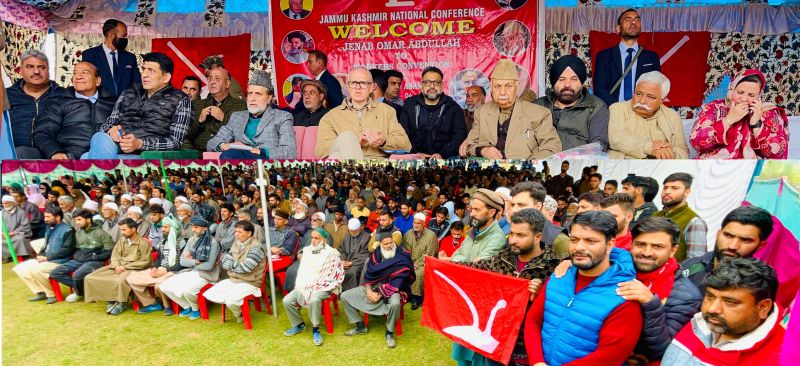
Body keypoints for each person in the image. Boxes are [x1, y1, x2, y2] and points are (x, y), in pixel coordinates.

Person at [524, 211, 641, 366]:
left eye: (590, 241)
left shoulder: (625, 293)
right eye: (574, 240)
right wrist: (536, 361)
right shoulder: (560, 275)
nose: (579, 247)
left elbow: (610, 356)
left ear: (610, 244)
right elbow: (533, 321)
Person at [453, 209, 561, 366]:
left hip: (527, 350)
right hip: (496, 344)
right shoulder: (503, 258)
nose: (512, 240)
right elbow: (473, 268)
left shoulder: (553, 267)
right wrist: (442, 265)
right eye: (511, 234)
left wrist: (540, 295)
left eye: (520, 235)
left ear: (537, 237)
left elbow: (558, 309)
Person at [613, 217, 703, 364]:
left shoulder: (686, 296)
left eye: (657, 247)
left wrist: (651, 303)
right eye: (641, 244)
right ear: (631, 244)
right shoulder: (615, 269)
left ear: (673, 250)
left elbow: (663, 348)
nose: (647, 253)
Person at [662, 258, 784, 365]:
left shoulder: (782, 357)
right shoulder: (702, 323)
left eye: (730, 302)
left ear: (763, 307)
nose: (712, 309)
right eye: (710, 296)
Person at [85, 52, 192, 159]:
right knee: (99, 136)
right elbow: (105, 126)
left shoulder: (181, 100)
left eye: (151, 70)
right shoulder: (128, 93)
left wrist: (140, 143)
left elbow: (176, 142)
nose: (144, 74)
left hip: (146, 155)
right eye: (143, 69)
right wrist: (111, 130)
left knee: (85, 158)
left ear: (166, 77)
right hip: (116, 147)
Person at [463, 59, 561, 159]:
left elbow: (551, 147)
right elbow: (470, 144)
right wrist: (483, 150)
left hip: (524, 171)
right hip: (489, 171)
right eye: (497, 86)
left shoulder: (539, 113)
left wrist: (530, 166)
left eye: (508, 86)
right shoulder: (481, 112)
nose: (502, 92)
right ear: (491, 87)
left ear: (516, 86)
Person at [690, 69, 789, 159]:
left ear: (759, 95)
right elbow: (697, 143)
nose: (744, 99)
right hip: (714, 167)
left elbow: (778, 155)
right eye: (740, 92)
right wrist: (728, 120)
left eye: (751, 95)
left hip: (752, 171)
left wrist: (757, 124)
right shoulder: (713, 108)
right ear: (732, 88)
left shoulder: (768, 112)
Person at [23, 62, 115, 159]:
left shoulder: (113, 103)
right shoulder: (58, 102)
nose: (78, 77)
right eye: (75, 73)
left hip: (107, 154)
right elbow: (42, 132)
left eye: (85, 72)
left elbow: (128, 127)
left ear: (98, 81)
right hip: (71, 158)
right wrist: (55, 152)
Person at [315, 68, 411, 159]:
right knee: (346, 137)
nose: (358, 87)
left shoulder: (387, 111)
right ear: (348, 86)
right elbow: (321, 150)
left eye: (363, 83)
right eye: (353, 83)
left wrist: (383, 141)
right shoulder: (330, 116)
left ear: (371, 87)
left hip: (375, 168)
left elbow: (405, 145)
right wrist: (354, 142)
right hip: (345, 168)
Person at [340, 234, 415, 349]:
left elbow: (399, 280)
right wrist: (369, 291)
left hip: (394, 288)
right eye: (386, 244)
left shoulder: (402, 256)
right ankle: (360, 326)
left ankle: (389, 332)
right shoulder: (375, 255)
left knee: (395, 303)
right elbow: (369, 275)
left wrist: (379, 294)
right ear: (380, 244)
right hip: (373, 287)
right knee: (344, 295)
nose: (389, 246)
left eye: (391, 243)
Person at [207, 70, 297, 159]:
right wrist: (223, 145)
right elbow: (211, 143)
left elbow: (290, 151)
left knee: (230, 155)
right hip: (238, 160)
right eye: (250, 94)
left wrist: (261, 151)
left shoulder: (282, 117)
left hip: (265, 164)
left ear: (269, 98)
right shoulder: (237, 117)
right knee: (230, 154)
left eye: (258, 94)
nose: (252, 98)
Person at [681, 205, 773, 293]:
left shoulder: (758, 285)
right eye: (728, 235)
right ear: (718, 233)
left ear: (761, 245)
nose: (732, 246)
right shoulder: (689, 266)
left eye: (746, 240)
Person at [282, 228, 345, 346]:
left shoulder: (332, 253)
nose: (313, 240)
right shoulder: (306, 251)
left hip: (324, 286)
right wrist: (305, 285)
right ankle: (299, 325)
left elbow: (335, 274)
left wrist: (318, 285)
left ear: (324, 239)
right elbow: (303, 272)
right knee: (287, 300)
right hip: (305, 285)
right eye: (312, 237)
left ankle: (315, 328)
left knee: (314, 299)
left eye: (317, 238)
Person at [534, 55, 609, 151]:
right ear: (553, 82)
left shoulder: (596, 107)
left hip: (578, 163)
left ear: (581, 83)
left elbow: (598, 144)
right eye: (562, 79)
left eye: (574, 79)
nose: (567, 85)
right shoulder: (538, 106)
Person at [608, 71, 689, 159]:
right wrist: (651, 148)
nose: (642, 101)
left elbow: (683, 151)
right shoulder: (618, 109)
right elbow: (616, 139)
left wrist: (668, 149)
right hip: (624, 168)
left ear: (662, 100)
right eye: (639, 94)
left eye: (650, 97)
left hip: (660, 169)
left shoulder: (672, 116)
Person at [83, 217, 152, 315]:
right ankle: (110, 299)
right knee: (91, 277)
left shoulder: (143, 243)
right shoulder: (122, 240)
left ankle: (122, 302)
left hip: (135, 269)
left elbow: (146, 261)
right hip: (118, 267)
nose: (122, 232)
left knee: (120, 280)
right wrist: (116, 266)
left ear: (133, 229)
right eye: (121, 230)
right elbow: (114, 256)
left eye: (124, 229)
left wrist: (125, 267)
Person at [159, 215, 222, 320]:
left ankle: (195, 309)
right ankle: (186, 306)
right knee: (164, 286)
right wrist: (196, 261)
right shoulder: (192, 240)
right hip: (191, 271)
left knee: (187, 290)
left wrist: (191, 260)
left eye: (196, 227)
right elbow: (183, 261)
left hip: (207, 275)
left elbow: (208, 266)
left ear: (205, 228)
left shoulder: (213, 242)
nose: (193, 229)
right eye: (193, 227)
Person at [203, 221, 267, 323]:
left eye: (240, 232)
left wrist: (232, 265)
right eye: (236, 231)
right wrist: (237, 265)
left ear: (249, 233)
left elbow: (247, 268)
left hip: (250, 281)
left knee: (230, 300)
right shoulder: (236, 243)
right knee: (210, 293)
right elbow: (224, 263)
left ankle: (240, 314)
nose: (236, 234)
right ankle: (240, 308)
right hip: (234, 279)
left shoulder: (256, 247)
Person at [593, 9, 661, 106]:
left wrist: (640, 106)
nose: (633, 22)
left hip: (642, 111)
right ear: (618, 28)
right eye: (627, 20)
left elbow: (655, 87)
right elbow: (600, 89)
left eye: (637, 19)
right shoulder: (604, 56)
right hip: (613, 111)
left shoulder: (651, 57)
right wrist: (619, 108)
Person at [398, 67, 467, 159]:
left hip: (444, 159)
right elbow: (402, 134)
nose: (432, 86)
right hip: (414, 158)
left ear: (442, 85)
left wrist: (442, 154)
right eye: (427, 82)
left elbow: (459, 136)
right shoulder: (409, 105)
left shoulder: (453, 107)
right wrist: (415, 154)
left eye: (436, 82)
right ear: (421, 84)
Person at [12, 207, 75, 304]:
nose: (45, 219)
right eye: (45, 217)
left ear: (58, 217)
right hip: (47, 259)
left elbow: (67, 250)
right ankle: (40, 292)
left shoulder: (68, 230)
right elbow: (45, 245)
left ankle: (51, 295)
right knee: (20, 268)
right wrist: (40, 255)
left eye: (48, 217)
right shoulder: (50, 227)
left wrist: (47, 258)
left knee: (37, 271)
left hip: (61, 261)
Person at [7, 50, 65, 154]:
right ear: (20, 70)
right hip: (15, 155)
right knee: (20, 152)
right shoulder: (8, 95)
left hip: (56, 154)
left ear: (48, 71)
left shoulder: (64, 95)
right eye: (30, 66)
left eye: (42, 67)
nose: (36, 71)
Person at [126, 215, 185, 315]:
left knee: (159, 286)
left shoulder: (183, 243)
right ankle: (152, 304)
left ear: (174, 228)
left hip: (174, 271)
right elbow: (159, 259)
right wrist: (154, 268)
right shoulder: (163, 241)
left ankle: (167, 306)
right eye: (163, 227)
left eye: (166, 227)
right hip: (160, 270)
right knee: (131, 278)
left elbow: (183, 264)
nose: (162, 230)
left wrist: (165, 271)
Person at [184, 68, 246, 151]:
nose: (212, 82)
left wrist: (224, 118)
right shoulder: (197, 105)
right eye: (210, 78)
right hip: (199, 154)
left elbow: (243, 136)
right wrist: (199, 121)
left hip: (226, 154)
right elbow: (187, 135)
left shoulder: (241, 106)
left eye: (217, 78)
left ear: (227, 83)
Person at [652, 173, 708, 262]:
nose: (667, 192)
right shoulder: (655, 215)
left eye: (674, 188)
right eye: (665, 188)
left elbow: (695, 263)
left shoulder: (694, 222)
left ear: (687, 192)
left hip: (676, 275)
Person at [81, 19, 140, 98]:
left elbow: (137, 83)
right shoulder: (90, 55)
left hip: (125, 106)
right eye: (123, 36)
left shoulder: (129, 57)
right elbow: (86, 82)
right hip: (99, 105)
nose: (126, 39)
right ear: (112, 35)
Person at [509, 181, 570, 259]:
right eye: (512, 205)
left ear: (538, 206)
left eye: (521, 205)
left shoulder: (558, 239)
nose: (514, 210)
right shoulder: (512, 230)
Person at [443, 189, 506, 263]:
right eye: (472, 209)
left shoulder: (497, 239)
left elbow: (477, 267)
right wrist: (466, 260)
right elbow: (455, 256)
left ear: (491, 213)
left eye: (477, 210)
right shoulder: (472, 232)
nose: (471, 214)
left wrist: (463, 259)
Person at [404, 212, 438, 310]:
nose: (415, 225)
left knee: (418, 273)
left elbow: (430, 254)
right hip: (409, 261)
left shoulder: (431, 235)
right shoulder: (408, 234)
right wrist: (408, 263)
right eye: (414, 222)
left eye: (418, 223)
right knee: (400, 269)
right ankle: (405, 295)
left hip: (426, 262)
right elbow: (404, 250)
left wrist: (416, 264)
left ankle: (416, 299)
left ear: (424, 224)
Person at [339, 218, 370, 291]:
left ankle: (353, 292)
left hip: (358, 263)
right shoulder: (346, 236)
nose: (352, 232)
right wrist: (343, 261)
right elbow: (341, 250)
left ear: (359, 228)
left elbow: (365, 254)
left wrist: (352, 263)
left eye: (354, 231)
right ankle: (340, 292)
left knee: (353, 272)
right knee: (338, 270)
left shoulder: (367, 237)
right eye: (351, 231)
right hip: (345, 262)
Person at [2, 195, 34, 262]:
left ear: (13, 203)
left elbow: (25, 226)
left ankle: (23, 255)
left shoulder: (21, 212)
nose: (5, 205)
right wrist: (2, 233)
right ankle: (7, 256)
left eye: (7, 203)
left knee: (20, 239)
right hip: (4, 234)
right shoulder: (2, 213)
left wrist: (13, 233)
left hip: (18, 233)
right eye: (3, 203)